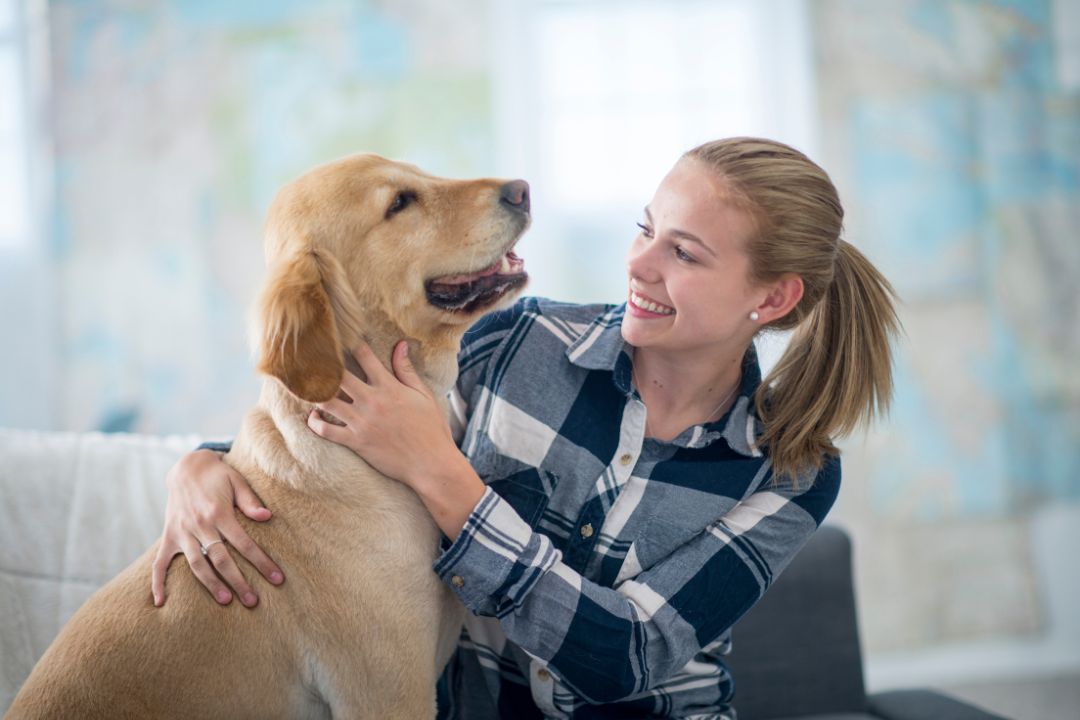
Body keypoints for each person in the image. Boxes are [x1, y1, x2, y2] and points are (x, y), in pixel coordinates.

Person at [152, 137, 899, 719]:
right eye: (646, 228)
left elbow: (623, 656)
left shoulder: (790, 473)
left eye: (684, 253)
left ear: (771, 300)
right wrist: (205, 466)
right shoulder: (515, 342)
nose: (639, 263)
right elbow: (346, 419)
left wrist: (445, 480)